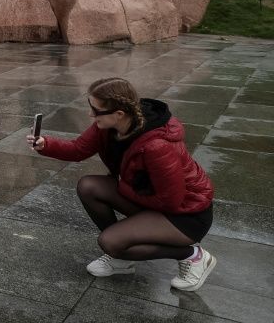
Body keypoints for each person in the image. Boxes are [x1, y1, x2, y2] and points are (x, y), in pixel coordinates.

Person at [27, 77, 217, 292]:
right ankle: (122, 256)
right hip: (151, 200)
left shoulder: (158, 145)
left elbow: (171, 201)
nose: (91, 114)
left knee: (110, 242)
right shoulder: (108, 125)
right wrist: (46, 144)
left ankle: (193, 255)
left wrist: (124, 188)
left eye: (96, 110)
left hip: (185, 216)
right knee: (89, 186)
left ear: (119, 114)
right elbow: (78, 149)